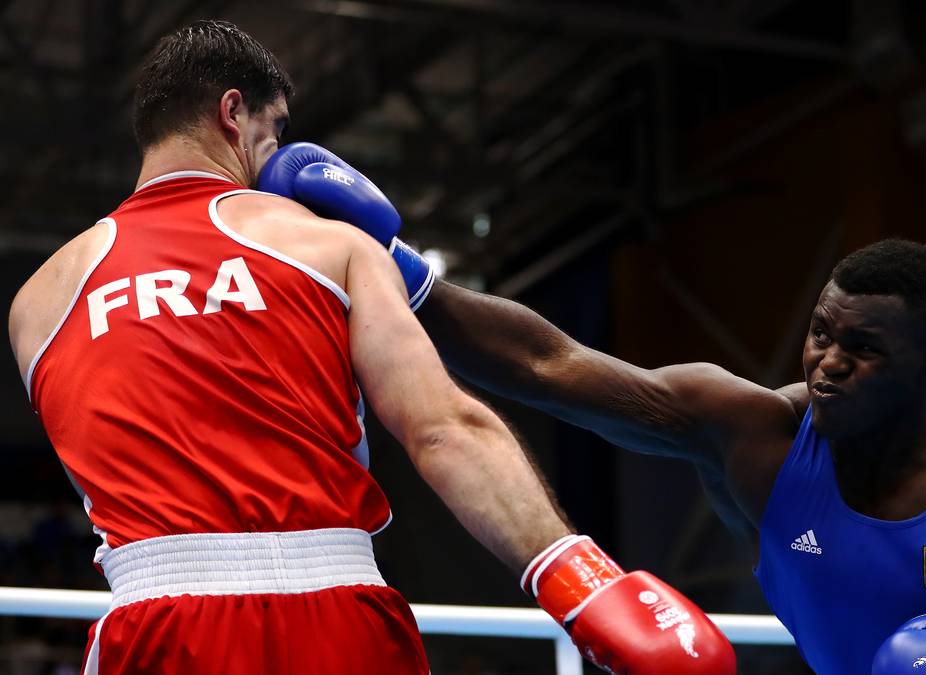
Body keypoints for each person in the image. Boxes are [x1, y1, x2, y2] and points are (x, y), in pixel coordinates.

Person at [259, 144, 926, 675]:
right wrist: (405, 272)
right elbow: (551, 364)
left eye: (862, 350)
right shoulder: (752, 432)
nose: (826, 363)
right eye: (821, 334)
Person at [7, 20, 735, 675]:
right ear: (233, 112)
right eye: (276, 128)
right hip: (336, 616)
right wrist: (581, 582)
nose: (281, 153)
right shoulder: (326, 243)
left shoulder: (37, 301)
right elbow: (446, 428)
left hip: (155, 621)